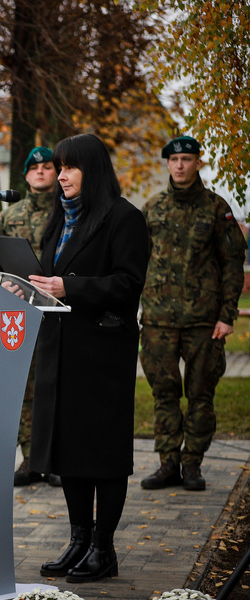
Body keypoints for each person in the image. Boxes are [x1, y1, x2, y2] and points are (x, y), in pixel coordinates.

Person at [25, 134, 149, 583]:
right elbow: (48, 274)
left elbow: (128, 283)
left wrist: (69, 288)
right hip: (60, 349)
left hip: (101, 354)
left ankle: (103, 549)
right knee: (70, 451)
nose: (60, 175)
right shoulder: (59, 219)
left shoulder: (124, 218)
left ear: (92, 170)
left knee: (103, 454)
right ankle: (78, 541)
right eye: (58, 167)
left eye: (70, 167)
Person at [139, 136, 247, 492]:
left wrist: (227, 315)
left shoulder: (217, 209)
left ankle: (192, 465)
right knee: (164, 394)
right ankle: (168, 462)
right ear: (167, 164)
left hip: (204, 322)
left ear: (198, 163)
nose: (181, 165)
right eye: (174, 159)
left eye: (187, 159)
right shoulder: (151, 208)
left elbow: (232, 264)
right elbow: (135, 261)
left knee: (201, 394)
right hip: (158, 321)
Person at [0, 146, 61, 488]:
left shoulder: (68, 212)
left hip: (60, 313)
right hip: (18, 315)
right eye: (35, 167)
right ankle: (30, 460)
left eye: (48, 167)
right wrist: (4, 286)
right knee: (25, 389)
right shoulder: (8, 215)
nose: (41, 172)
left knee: (57, 387)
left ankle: (57, 459)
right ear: (26, 175)